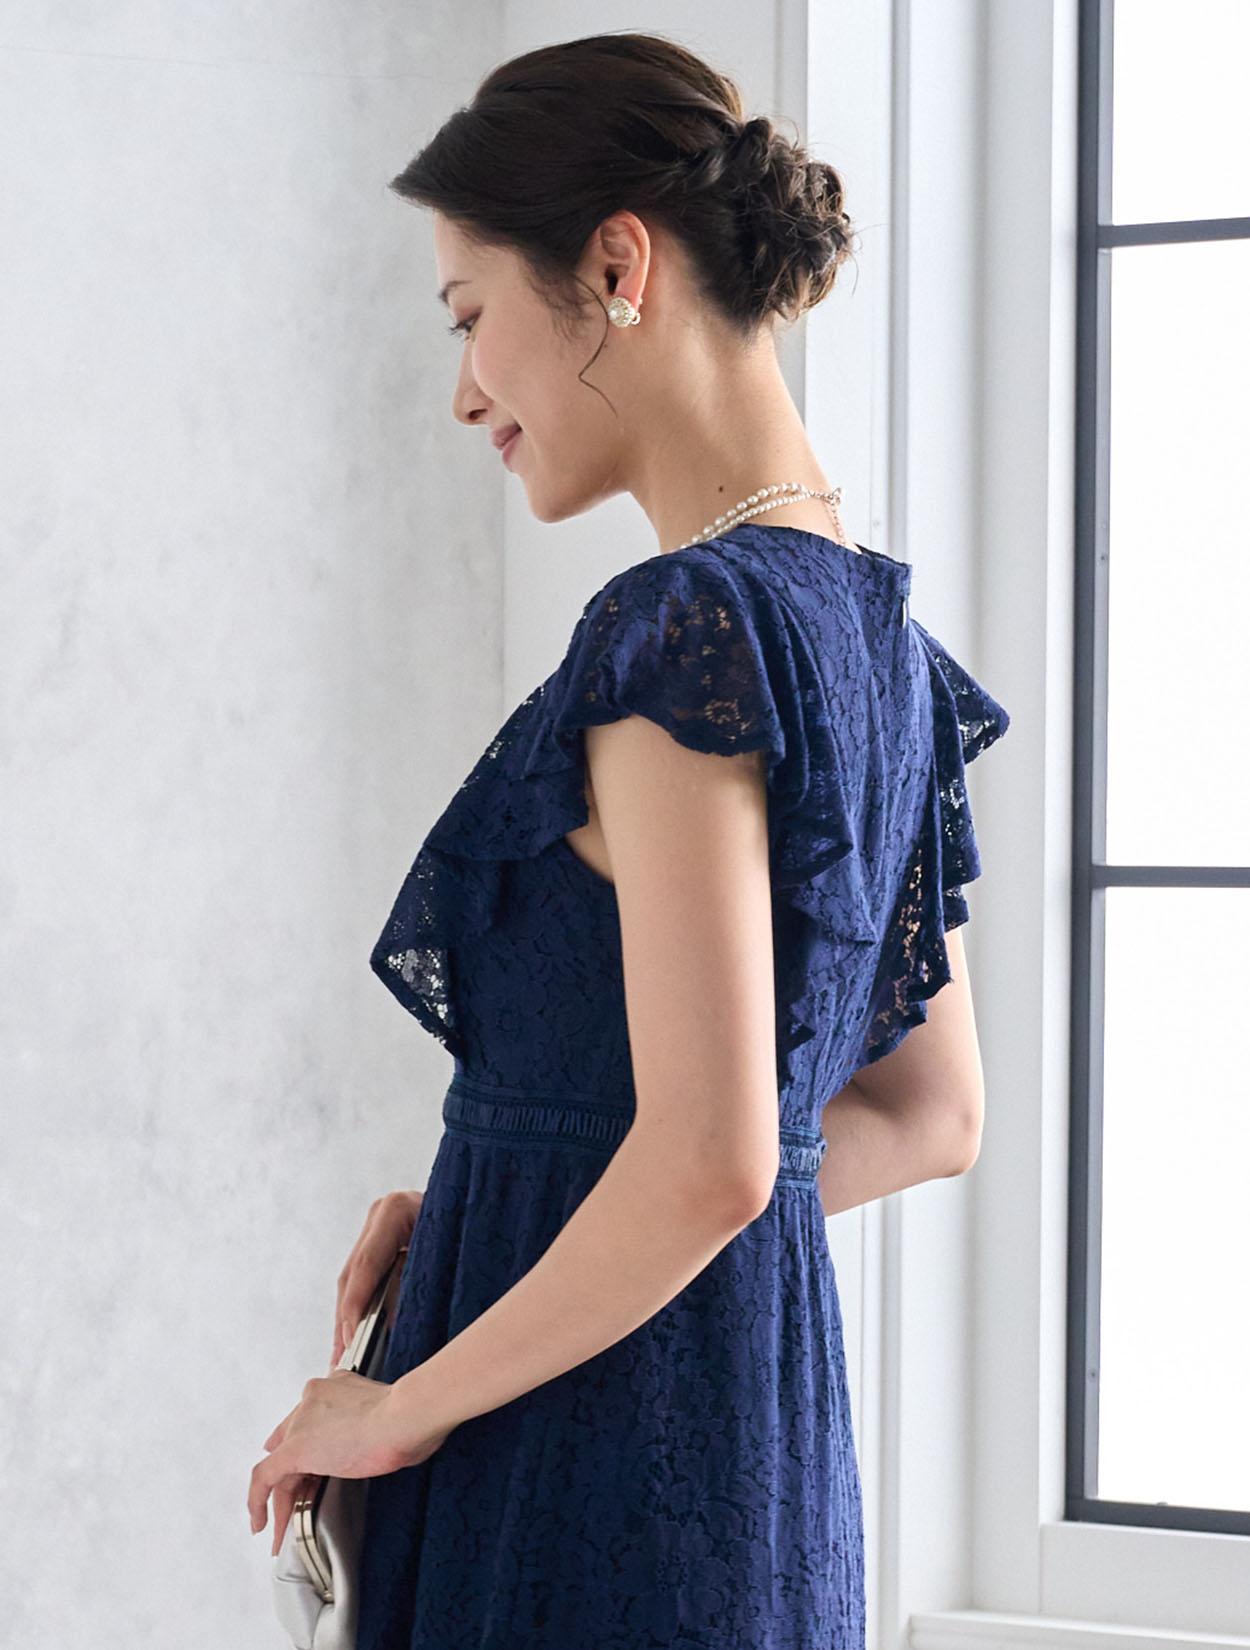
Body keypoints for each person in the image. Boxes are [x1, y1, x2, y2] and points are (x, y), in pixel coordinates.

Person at [249, 30, 1010, 1649]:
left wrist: (393, 1409)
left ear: (614, 266)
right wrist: (509, 1212)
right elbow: (924, 1114)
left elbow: (713, 1159)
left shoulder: (684, 631)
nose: (466, 390)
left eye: (469, 316)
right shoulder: (884, 649)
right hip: (753, 1461)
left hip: (590, 1476)